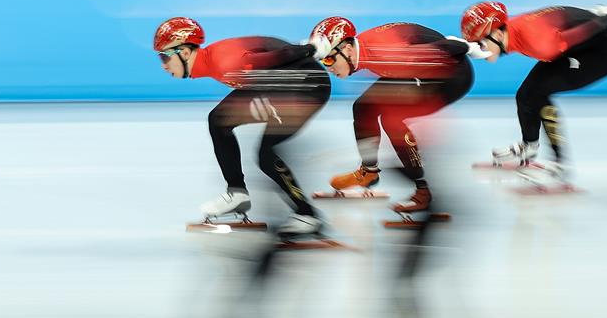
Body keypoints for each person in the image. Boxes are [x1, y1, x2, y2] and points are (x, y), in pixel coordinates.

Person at [154, 16, 331, 236]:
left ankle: (307, 214)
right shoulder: (215, 62)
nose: (163, 65)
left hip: (308, 85)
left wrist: (309, 48)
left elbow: (278, 56)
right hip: (281, 81)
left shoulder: (226, 64)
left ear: (185, 52)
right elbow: (268, 46)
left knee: (266, 154)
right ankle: (237, 193)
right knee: (218, 120)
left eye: (165, 56)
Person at [308, 17, 474, 216]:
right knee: (363, 107)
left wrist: (465, 46)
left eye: (329, 59)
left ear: (348, 49)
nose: (328, 68)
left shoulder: (386, 53)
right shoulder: (368, 52)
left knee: (391, 118)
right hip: (417, 70)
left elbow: (453, 47)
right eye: (324, 61)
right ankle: (368, 172)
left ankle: (423, 190)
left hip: (450, 77)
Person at [460, 2, 607, 184]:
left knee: (540, 94)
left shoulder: (539, 42)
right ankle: (529, 147)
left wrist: (603, 19)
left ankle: (559, 165)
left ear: (499, 34)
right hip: (574, 45)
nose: (479, 51)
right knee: (525, 95)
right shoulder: (516, 32)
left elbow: (578, 33)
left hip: (601, 53)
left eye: (481, 44)